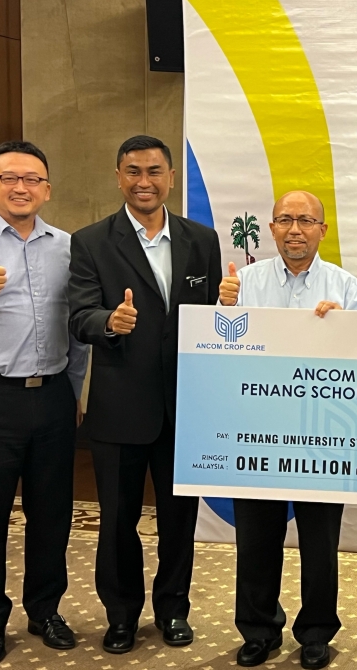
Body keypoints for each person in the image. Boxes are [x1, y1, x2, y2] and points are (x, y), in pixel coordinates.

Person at [68, 135, 222, 654]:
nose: (144, 181)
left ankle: (174, 610)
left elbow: (214, 319)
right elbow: (78, 315)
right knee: (117, 522)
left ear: (171, 178)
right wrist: (108, 321)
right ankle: (121, 616)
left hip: (185, 407)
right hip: (119, 409)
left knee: (179, 521)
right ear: (118, 177)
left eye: (154, 171)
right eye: (132, 171)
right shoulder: (90, 241)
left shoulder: (202, 240)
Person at [0, 141, 88, 665]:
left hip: (51, 397)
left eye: (32, 179)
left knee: (53, 514)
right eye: (9, 178)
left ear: (47, 189)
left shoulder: (68, 248)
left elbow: (77, 331)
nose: (20, 187)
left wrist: (73, 393)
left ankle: (45, 610)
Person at [219, 190, 357, 669]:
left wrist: (345, 329)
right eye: (285, 220)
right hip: (257, 432)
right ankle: (258, 629)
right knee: (256, 538)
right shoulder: (242, 282)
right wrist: (222, 311)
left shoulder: (346, 286)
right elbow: (217, 355)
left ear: (323, 230)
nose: (295, 229)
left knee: (320, 541)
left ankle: (316, 632)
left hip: (323, 434)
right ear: (271, 228)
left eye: (306, 220)